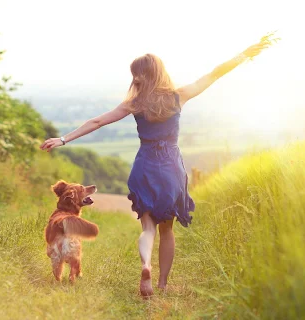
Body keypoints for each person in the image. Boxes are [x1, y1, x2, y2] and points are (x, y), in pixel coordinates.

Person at [40, 36, 272, 297]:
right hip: (171, 167)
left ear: (139, 76)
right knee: (167, 229)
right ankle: (161, 283)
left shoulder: (135, 103)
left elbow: (97, 122)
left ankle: (146, 265)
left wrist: (62, 139)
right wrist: (244, 55)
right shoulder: (179, 96)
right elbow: (214, 74)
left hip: (145, 166)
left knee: (148, 227)